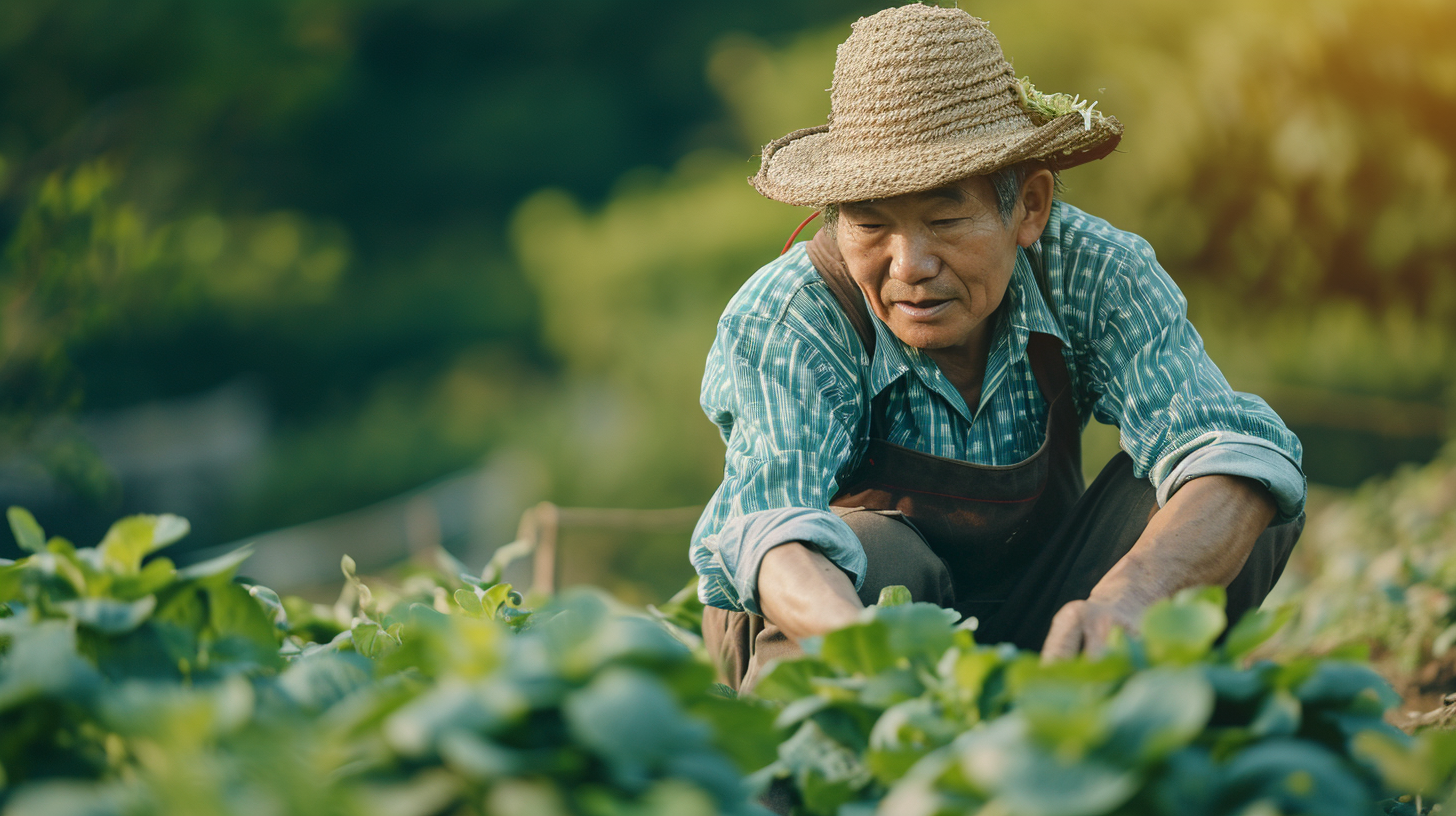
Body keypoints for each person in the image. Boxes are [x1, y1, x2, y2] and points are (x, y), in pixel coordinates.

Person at [691, 4, 1305, 693]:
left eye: (945, 217)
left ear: (1030, 207)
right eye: (870, 224)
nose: (910, 265)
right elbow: (771, 535)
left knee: (1235, 485)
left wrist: (1132, 596)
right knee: (876, 551)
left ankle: (1096, 752)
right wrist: (863, 647)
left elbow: (1228, 444)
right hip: (840, 641)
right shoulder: (791, 315)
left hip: (1044, 625)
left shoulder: (1095, 272)